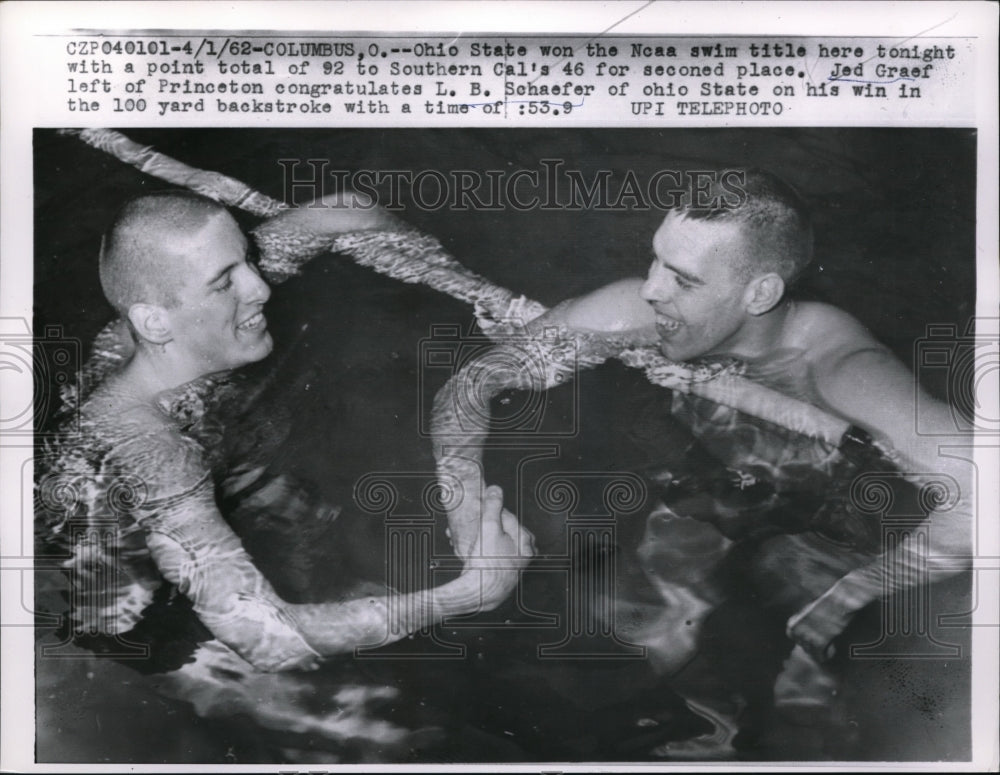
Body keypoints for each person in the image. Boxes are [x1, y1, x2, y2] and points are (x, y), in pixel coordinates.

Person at [431, 168, 972, 756]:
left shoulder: (840, 367)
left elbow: (983, 492)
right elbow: (476, 384)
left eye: (683, 279)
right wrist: (465, 518)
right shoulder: (632, 310)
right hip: (701, 485)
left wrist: (844, 599)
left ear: (760, 293)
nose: (651, 291)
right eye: (655, 260)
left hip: (823, 523)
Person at [37, 191, 535, 673]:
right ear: (155, 321)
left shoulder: (156, 329)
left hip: (189, 460)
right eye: (224, 282)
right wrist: (476, 591)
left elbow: (344, 210)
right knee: (178, 644)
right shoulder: (155, 451)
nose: (260, 287)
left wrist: (481, 296)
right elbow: (270, 641)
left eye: (247, 261)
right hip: (99, 570)